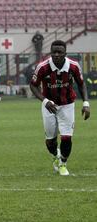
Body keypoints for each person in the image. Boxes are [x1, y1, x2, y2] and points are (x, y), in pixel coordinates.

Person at [29, 40, 90, 176]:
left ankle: (63, 163)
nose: (56, 55)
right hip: (48, 105)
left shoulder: (73, 66)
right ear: (50, 53)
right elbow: (33, 85)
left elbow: (81, 84)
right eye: (54, 52)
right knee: (50, 141)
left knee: (67, 138)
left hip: (67, 104)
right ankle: (56, 155)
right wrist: (45, 101)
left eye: (59, 52)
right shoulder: (43, 67)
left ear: (65, 53)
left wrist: (86, 103)